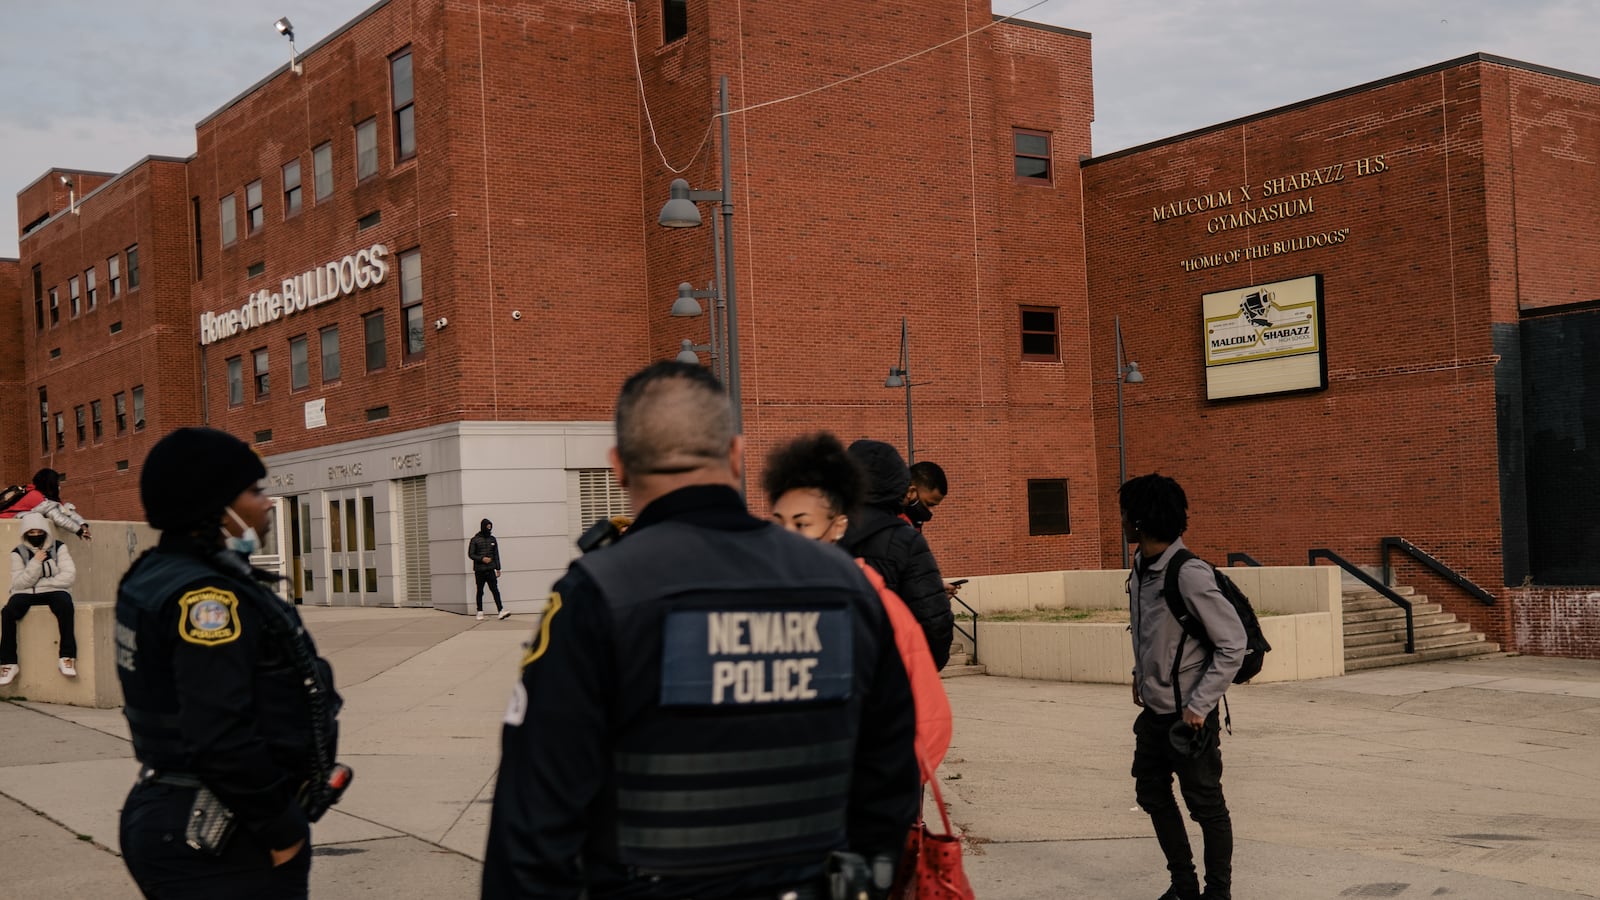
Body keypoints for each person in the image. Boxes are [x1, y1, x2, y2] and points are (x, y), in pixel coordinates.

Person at [482, 362, 919, 900]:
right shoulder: (846, 587)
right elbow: (892, 778)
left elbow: (532, 823)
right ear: (735, 456)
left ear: (618, 466)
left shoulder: (600, 593)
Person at [115, 427, 347, 900]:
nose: (267, 502)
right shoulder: (206, 599)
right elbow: (219, 732)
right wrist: (282, 829)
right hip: (219, 831)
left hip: (184, 814)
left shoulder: (156, 573)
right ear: (216, 506)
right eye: (255, 490)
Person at [765, 431, 952, 775]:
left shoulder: (813, 536)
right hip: (888, 693)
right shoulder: (905, 540)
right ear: (899, 486)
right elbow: (934, 622)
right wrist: (923, 672)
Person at [1122, 473, 1246, 900]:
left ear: (1140, 521)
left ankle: (1218, 894)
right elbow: (1151, 630)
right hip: (1154, 713)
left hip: (1190, 720)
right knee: (1152, 794)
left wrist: (1200, 705)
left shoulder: (1188, 573)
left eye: (1125, 513)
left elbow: (1233, 643)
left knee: (1207, 807)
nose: (1121, 521)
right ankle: (1184, 886)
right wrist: (1141, 673)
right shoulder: (1140, 568)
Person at [839, 440, 954, 670]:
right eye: (928, 504)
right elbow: (935, 626)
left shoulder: (819, 533)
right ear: (904, 487)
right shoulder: (904, 539)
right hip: (889, 673)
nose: (928, 512)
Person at [0, 511, 80, 684]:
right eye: (31, 533)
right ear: (25, 533)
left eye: (39, 532)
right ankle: (8, 663)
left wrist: (44, 583)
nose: (36, 535)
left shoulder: (59, 547)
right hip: (26, 593)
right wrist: (36, 563)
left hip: (54, 591)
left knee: (65, 606)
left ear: (45, 531)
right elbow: (18, 583)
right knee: (7, 612)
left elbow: (69, 576)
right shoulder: (18, 553)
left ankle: (67, 656)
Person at [0, 468, 92, 541]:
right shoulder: (37, 497)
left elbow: (64, 509)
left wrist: (82, 524)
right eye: (57, 483)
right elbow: (58, 517)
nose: (59, 486)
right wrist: (79, 531)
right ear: (51, 484)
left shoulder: (35, 491)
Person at [469, 518, 507, 621]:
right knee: (480, 591)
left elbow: (496, 554)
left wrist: (498, 568)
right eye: (487, 527)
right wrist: (482, 559)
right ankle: (480, 611)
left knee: (495, 590)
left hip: (490, 569)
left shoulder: (492, 539)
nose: (489, 529)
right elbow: (471, 554)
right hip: (479, 570)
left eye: (490, 527)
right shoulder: (475, 540)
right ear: (483, 526)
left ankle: (501, 611)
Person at [900, 460, 947, 533]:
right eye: (929, 504)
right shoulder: (893, 523)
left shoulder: (912, 521)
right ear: (911, 491)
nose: (930, 510)